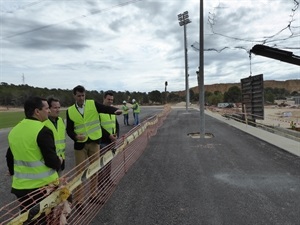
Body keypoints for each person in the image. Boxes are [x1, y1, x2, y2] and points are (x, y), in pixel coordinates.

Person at [6, 96, 62, 223]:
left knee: (29, 219)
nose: (48, 111)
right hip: (41, 188)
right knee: (44, 220)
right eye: (47, 108)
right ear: (37, 111)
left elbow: (10, 156)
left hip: (20, 189)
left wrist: (12, 171)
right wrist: (59, 161)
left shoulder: (14, 130)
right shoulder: (43, 131)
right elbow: (51, 161)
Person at [66, 85, 121, 207]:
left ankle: (93, 194)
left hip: (94, 142)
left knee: (95, 169)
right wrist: (75, 137)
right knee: (80, 173)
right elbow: (69, 130)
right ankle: (79, 200)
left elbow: (105, 108)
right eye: (79, 96)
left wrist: (115, 110)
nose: (81, 98)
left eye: (83, 95)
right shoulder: (70, 111)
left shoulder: (92, 104)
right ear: (74, 96)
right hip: (80, 146)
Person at [99, 91, 119, 193]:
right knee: (101, 164)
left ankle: (107, 180)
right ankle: (100, 184)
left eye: (112, 99)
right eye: (108, 99)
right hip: (103, 141)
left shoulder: (112, 111)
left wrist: (116, 136)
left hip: (112, 141)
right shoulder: (99, 111)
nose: (110, 101)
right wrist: (109, 136)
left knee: (109, 163)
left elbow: (116, 124)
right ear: (104, 98)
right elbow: (98, 127)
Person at [44, 97, 66, 175]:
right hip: (50, 161)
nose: (58, 110)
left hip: (61, 159)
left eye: (59, 107)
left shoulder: (61, 121)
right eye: (55, 108)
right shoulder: (43, 122)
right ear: (48, 109)